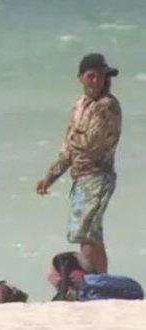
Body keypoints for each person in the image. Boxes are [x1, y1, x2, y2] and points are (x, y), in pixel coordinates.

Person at [36, 53, 123, 274]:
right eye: (91, 76)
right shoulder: (79, 105)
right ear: (81, 78)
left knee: (89, 233)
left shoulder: (107, 106)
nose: (96, 81)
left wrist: (73, 137)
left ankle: (98, 281)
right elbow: (68, 149)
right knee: (85, 234)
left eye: (100, 76)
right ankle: (94, 281)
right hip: (80, 178)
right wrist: (51, 176)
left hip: (98, 175)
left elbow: (91, 143)